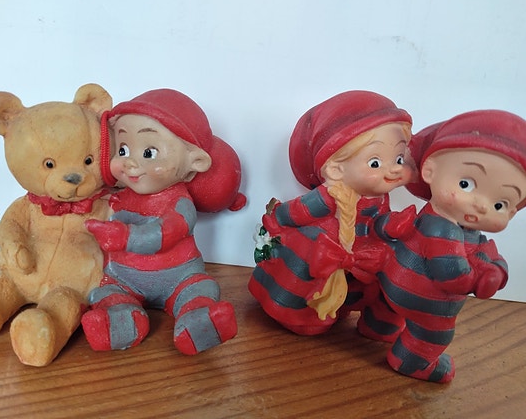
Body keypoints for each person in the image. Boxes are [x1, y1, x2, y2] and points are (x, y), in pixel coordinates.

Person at [81, 89, 245, 355]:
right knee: (104, 291)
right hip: (124, 278)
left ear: (195, 162)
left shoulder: (179, 202)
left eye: (149, 152)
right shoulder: (119, 197)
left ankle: (197, 321)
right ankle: (121, 319)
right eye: (123, 149)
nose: (130, 162)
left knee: (199, 288)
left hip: (179, 277)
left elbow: (166, 233)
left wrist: (125, 237)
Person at [373, 109, 526, 382]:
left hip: (394, 281)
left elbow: (486, 252)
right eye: (466, 184)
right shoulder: (442, 229)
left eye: (499, 204)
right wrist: (478, 278)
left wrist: (497, 270)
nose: (481, 205)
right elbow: (452, 278)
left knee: (390, 311)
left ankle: (377, 327)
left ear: (513, 212)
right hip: (422, 299)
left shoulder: (461, 227)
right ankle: (411, 362)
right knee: (435, 332)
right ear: (429, 170)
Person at [249, 90, 414, 338]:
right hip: (321, 257)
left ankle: (376, 320)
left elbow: (375, 223)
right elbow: (293, 213)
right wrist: (276, 220)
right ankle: (300, 314)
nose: (393, 170)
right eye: (375, 163)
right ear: (336, 169)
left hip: (358, 255)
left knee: (394, 261)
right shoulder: (328, 197)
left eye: (399, 158)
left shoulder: (379, 198)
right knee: (309, 256)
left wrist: (390, 226)